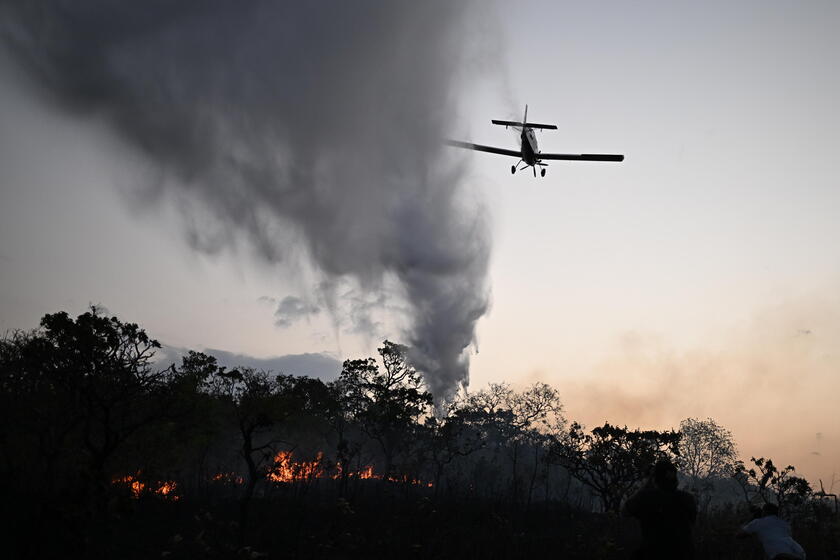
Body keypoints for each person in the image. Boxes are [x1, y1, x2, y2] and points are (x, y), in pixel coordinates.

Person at [623, 459, 697, 559]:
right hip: (683, 554)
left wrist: (647, 483)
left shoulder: (645, 497)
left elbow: (625, 511)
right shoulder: (688, 499)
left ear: (655, 478)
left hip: (653, 553)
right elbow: (692, 521)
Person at [737, 503, 806, 560]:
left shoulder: (758, 522)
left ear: (765, 512)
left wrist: (751, 519)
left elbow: (739, 535)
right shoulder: (784, 524)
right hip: (800, 553)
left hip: (782, 555)